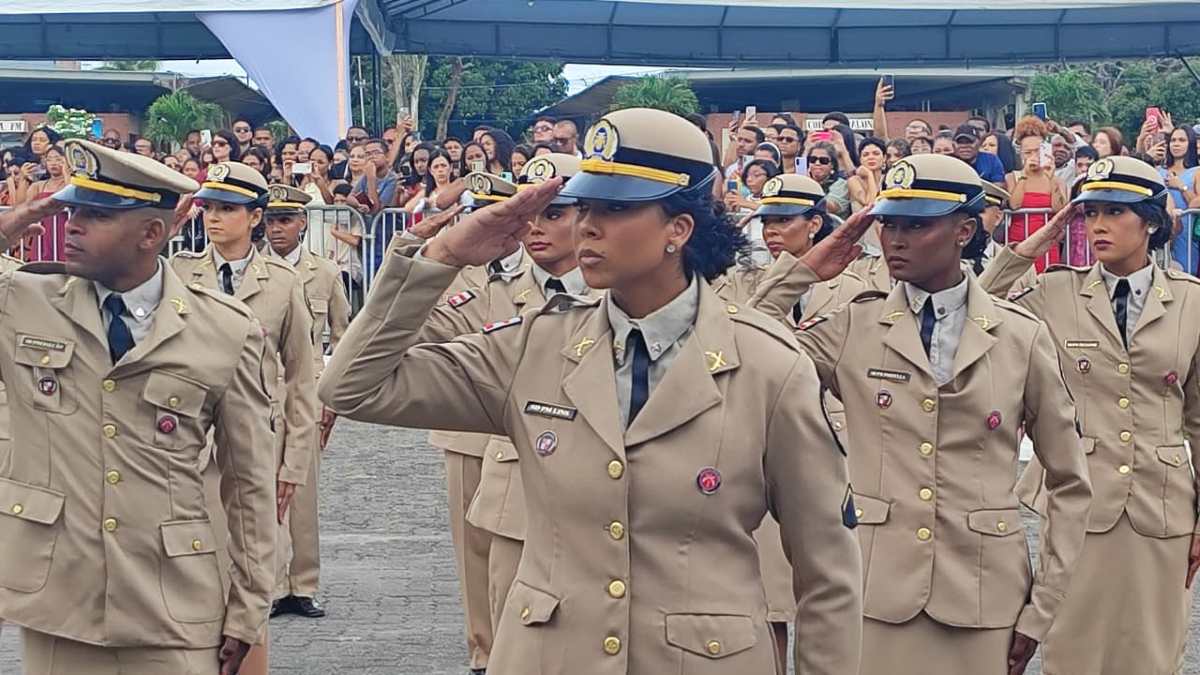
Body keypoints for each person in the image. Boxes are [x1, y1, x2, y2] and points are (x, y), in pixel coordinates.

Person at [319, 106, 863, 675]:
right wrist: (441, 259)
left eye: (616, 208)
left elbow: (828, 574)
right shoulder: (534, 345)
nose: (587, 227)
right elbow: (352, 386)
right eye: (585, 207)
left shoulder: (768, 365)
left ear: (679, 228)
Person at [751, 153, 1092, 675]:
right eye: (888, 223)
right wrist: (804, 271)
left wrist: (1041, 608)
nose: (896, 239)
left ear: (964, 230)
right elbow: (745, 344)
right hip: (873, 592)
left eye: (918, 224)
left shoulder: (1020, 335)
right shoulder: (854, 328)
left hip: (983, 597)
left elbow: (1068, 481)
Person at [0, 140, 276, 675]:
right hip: (62, 603)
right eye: (72, 210)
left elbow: (249, 487)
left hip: (172, 603)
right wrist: (7, 225)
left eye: (96, 215)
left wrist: (249, 610)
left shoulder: (225, 329)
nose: (72, 224)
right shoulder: (23, 302)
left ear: (152, 234)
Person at [977, 155, 1199, 675]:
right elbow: (977, 310)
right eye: (1090, 212)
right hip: (1079, 497)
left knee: (1152, 649)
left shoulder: (1191, 303)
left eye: (1115, 213)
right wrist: (1028, 248)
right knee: (1072, 649)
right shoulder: (1055, 291)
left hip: (1161, 500)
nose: (1098, 225)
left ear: (1150, 221)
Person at [170, 162, 318, 675]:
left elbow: (301, 378)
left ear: (256, 217)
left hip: (259, 443)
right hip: (189, 444)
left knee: (254, 572)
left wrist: (295, 463)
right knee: (194, 568)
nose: (213, 219)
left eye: (228, 210)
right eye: (209, 208)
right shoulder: (180, 273)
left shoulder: (281, 283)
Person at [714, 172, 866, 668]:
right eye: (766, 221)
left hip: (841, 446)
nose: (772, 231)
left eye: (785, 220)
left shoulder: (855, 285)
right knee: (770, 601)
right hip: (762, 443)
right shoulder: (737, 283)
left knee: (836, 590)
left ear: (816, 223)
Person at [262, 184, 351, 621]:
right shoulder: (252, 271)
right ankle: (273, 585)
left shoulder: (325, 273)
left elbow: (343, 336)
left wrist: (333, 398)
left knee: (302, 492)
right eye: (270, 220)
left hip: (308, 390)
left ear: (302, 223)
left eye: (285, 220)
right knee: (261, 489)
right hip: (258, 390)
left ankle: (304, 583)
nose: (276, 229)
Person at [1005, 116, 1068, 272]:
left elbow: (1060, 208)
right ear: (1021, 154)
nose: (1033, 156)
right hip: (1019, 241)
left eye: (1037, 151)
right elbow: (1014, 204)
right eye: (1028, 152)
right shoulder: (1012, 177)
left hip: (1046, 244)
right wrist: (1024, 175)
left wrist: (1051, 177)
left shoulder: (1057, 180)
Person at [18, 144, 69, 262]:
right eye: (49, 159)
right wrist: (23, 178)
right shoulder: (38, 186)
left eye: (58, 159)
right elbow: (20, 207)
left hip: (64, 232)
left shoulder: (72, 184)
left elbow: (69, 199)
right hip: (43, 234)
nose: (53, 163)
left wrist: (67, 174)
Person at [806, 141, 850, 217]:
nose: (817, 163)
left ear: (832, 165)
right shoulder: (802, 181)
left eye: (823, 161)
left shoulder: (841, 184)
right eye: (813, 159)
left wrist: (811, 186)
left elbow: (831, 207)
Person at [848, 137, 887, 213]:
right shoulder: (854, 181)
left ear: (884, 158)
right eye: (865, 155)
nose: (871, 157)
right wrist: (869, 175)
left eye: (876, 154)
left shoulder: (889, 179)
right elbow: (870, 205)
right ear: (860, 159)